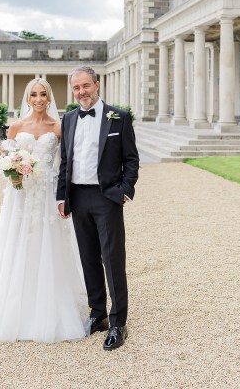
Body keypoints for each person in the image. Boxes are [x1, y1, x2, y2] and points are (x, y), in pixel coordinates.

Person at [0, 78, 88, 343]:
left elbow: (65, 165)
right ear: (27, 98)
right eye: (34, 95)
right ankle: (14, 301)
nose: (38, 99)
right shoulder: (16, 126)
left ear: (49, 98)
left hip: (48, 195)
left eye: (43, 94)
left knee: (48, 245)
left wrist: (65, 198)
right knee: (18, 242)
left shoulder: (59, 127)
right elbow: (1, 158)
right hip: (21, 196)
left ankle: (50, 303)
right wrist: (11, 174)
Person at [57, 66, 140, 351]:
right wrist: (62, 198)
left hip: (106, 198)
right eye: (76, 88)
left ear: (97, 85)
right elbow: (65, 162)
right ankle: (98, 314)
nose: (81, 92)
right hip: (78, 197)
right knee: (88, 259)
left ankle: (118, 322)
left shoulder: (119, 117)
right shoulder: (68, 119)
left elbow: (131, 159)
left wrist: (124, 191)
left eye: (85, 86)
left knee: (112, 259)